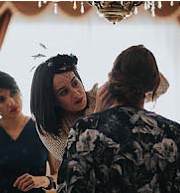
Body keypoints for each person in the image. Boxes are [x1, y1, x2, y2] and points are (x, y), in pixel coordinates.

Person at [57, 45, 180, 192]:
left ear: (112, 80)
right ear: (154, 84)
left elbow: (68, 188)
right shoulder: (173, 132)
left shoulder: (84, 130)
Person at [30, 53, 167, 165]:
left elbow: (162, 86)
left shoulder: (101, 95)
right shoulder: (47, 126)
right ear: (52, 102)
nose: (77, 93)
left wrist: (127, 74)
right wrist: (97, 115)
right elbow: (76, 159)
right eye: (64, 92)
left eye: (75, 83)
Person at [0, 71, 56, 192]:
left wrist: (42, 180)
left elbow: (60, 176)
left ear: (20, 92)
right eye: (1, 99)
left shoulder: (42, 127)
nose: (11, 102)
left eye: (13, 93)